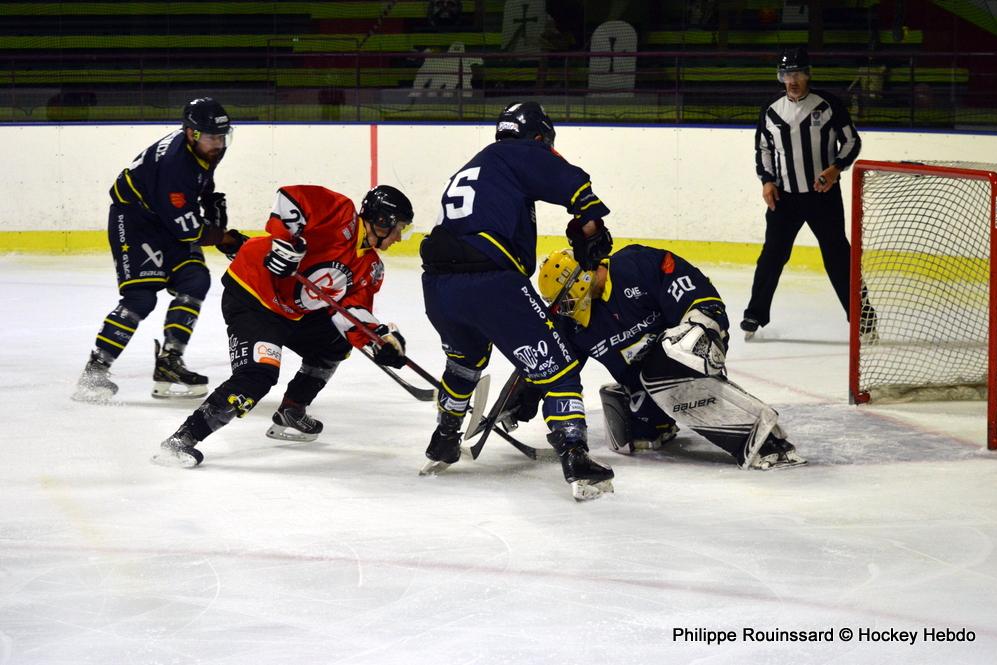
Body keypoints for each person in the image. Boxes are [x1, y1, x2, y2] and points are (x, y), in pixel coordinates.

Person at [419, 101, 616, 501]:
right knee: (558, 367)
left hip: (440, 286)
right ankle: (576, 456)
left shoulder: (478, 164)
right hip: (491, 282)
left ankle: (443, 439)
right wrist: (592, 222)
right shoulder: (521, 151)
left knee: (463, 363)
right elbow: (569, 180)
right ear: (539, 136)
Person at [152, 184, 414, 468]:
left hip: (294, 313)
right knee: (258, 376)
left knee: (335, 345)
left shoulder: (370, 267)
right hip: (252, 296)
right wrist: (283, 243)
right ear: (382, 221)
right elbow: (291, 198)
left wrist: (379, 341)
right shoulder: (341, 214)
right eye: (399, 228)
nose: (400, 237)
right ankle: (182, 440)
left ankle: (292, 409)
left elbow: (352, 313)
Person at [536, 244, 806, 470]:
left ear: (580, 279)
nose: (562, 309)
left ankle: (759, 437)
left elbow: (686, 284)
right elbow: (554, 369)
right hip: (640, 384)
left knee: (675, 356)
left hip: (685, 353)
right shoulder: (570, 325)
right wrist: (520, 402)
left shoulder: (635, 265)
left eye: (563, 300)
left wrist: (705, 318)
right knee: (639, 437)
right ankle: (635, 406)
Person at [73, 97, 247, 402]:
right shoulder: (173, 166)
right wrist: (227, 238)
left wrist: (209, 201)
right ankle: (94, 373)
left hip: (164, 215)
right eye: (212, 137)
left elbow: (198, 187)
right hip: (137, 220)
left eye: (222, 136)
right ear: (192, 134)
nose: (218, 144)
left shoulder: (201, 148)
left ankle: (169, 363)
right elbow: (189, 229)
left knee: (195, 279)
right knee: (140, 297)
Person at [743, 47, 875, 340]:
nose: (792, 80)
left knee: (838, 256)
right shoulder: (771, 109)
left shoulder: (828, 104)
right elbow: (763, 150)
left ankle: (864, 319)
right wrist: (766, 181)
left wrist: (836, 168)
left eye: (798, 74)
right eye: (787, 74)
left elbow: (851, 142)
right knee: (771, 257)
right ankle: (754, 315)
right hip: (784, 198)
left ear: (808, 74)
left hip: (822, 196)